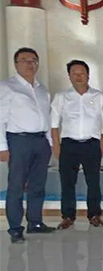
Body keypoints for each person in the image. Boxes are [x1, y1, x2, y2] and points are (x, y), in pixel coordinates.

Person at [0, 47, 55, 243]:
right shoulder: (7, 87)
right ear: (16, 64)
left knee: (38, 184)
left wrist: (49, 143)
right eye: (24, 60)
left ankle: (35, 222)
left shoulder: (42, 90)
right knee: (16, 185)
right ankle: (15, 227)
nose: (30, 64)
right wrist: (2, 146)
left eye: (33, 60)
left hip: (41, 141)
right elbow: (0, 118)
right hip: (19, 141)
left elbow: (47, 117)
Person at [51, 60, 103, 229]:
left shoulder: (99, 97)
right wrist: (56, 145)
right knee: (67, 183)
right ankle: (68, 216)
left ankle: (94, 215)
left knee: (93, 182)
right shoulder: (61, 97)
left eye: (82, 73)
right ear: (69, 76)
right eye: (74, 73)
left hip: (92, 144)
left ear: (88, 75)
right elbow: (54, 124)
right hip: (69, 144)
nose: (78, 76)